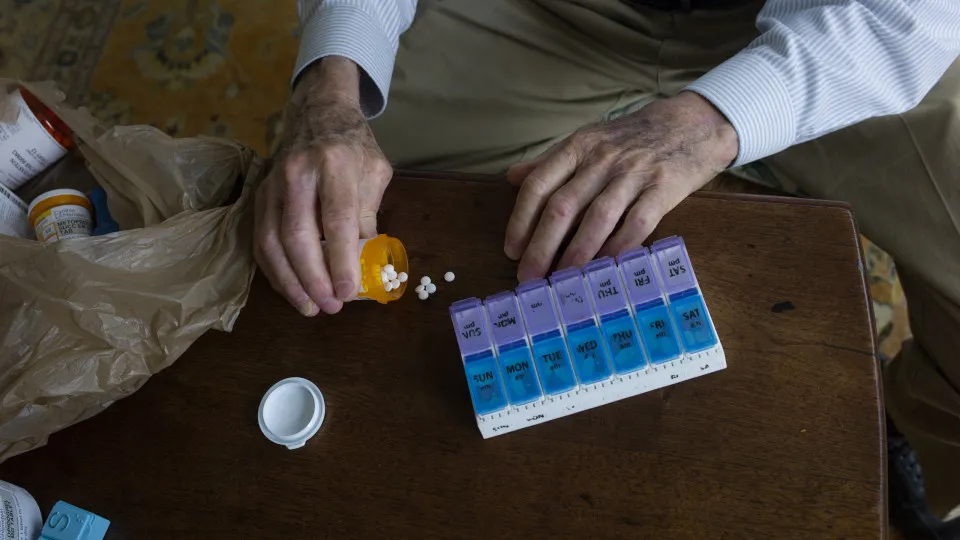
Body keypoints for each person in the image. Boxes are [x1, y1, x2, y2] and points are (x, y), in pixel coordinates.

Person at [254, 1, 960, 536]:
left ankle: (910, 434)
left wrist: (721, 118)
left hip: (833, 21)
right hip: (542, 16)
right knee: (368, 216)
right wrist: (329, 91)